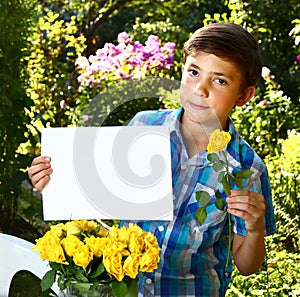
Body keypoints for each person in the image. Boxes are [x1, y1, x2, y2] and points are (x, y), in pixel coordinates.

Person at [28, 22, 276, 297]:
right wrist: (52, 178)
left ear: (243, 95)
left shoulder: (246, 169)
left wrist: (253, 229)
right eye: (194, 72)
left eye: (219, 80)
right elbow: (96, 185)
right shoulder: (142, 126)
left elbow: (246, 265)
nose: (200, 89)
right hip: (123, 288)